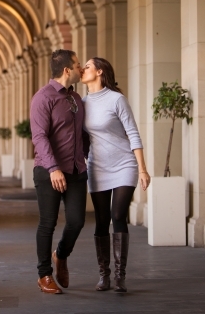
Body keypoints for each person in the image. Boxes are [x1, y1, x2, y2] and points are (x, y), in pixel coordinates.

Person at [81, 57, 151, 293]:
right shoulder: (82, 103)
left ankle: (120, 276)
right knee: (101, 220)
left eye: (88, 66)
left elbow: (133, 133)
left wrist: (142, 169)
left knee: (118, 215)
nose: (83, 69)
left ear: (99, 72)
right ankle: (104, 275)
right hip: (97, 167)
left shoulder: (117, 99)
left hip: (124, 164)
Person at [30, 49, 88, 294]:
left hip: (76, 170)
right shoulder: (43, 97)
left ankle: (61, 255)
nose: (81, 68)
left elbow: (83, 133)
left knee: (76, 221)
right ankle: (44, 274)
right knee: (48, 223)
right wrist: (53, 168)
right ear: (67, 70)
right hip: (48, 171)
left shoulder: (75, 98)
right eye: (77, 65)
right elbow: (39, 136)